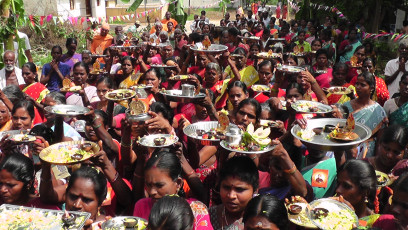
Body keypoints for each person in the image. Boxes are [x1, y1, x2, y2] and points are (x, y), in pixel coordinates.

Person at [132, 150, 213, 229]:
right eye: (148, 185)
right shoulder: (142, 206)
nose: (152, 192)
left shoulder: (196, 210)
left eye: (159, 185)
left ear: (178, 183)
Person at [338, 72, 387, 158]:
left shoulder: (379, 111)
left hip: (367, 153)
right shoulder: (346, 106)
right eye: (357, 84)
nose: (358, 87)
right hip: (346, 149)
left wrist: (375, 160)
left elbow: (380, 140)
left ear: (371, 88)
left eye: (362, 85)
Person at [209, 156, 259, 230]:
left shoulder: (261, 221)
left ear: (255, 191)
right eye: (226, 187)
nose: (231, 196)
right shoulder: (208, 216)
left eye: (239, 189)